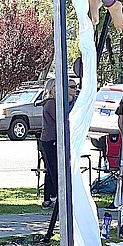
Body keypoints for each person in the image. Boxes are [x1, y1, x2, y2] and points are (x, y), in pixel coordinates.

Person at [39, 78, 78, 207]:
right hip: (50, 140)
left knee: (53, 169)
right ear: (52, 89)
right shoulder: (50, 103)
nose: (73, 89)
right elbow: (60, 118)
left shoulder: (61, 102)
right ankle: (53, 196)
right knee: (53, 168)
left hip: (56, 139)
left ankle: (50, 197)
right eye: (70, 87)